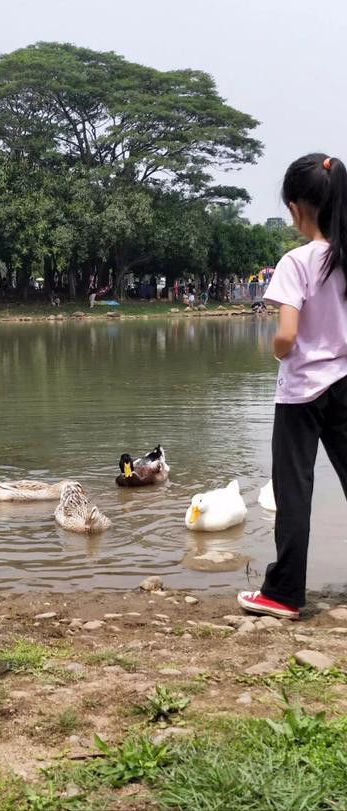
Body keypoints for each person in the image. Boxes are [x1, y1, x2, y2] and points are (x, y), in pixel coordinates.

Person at [238, 153, 347, 621]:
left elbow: (285, 335)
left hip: (302, 392)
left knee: (294, 490)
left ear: (298, 208)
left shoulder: (296, 261)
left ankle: (283, 593)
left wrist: (279, 352)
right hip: (345, 383)